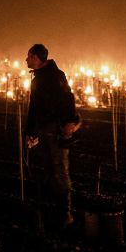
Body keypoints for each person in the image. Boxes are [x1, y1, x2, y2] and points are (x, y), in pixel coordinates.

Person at [24, 43, 80, 230]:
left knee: (59, 170)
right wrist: (30, 132)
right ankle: (51, 210)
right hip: (43, 130)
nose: (26, 60)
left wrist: (70, 122)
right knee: (48, 169)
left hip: (55, 130)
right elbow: (33, 108)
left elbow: (68, 98)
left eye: (29, 56)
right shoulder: (37, 79)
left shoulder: (56, 76)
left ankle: (65, 213)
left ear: (37, 58)